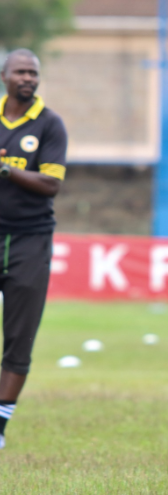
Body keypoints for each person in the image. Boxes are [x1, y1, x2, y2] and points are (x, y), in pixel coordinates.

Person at [0, 49, 68, 449]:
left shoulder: (49, 124)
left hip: (30, 238)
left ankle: (1, 425)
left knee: (20, 335)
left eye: (33, 73)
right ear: (4, 76)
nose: (27, 78)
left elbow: (52, 184)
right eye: (20, 72)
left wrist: (7, 169)